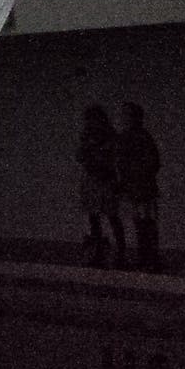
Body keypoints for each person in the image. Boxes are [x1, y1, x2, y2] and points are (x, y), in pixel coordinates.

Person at [115, 101, 162, 272]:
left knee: (145, 223)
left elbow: (152, 162)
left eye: (125, 115)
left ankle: (149, 258)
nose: (122, 118)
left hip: (141, 187)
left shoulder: (138, 137)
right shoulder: (133, 137)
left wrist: (135, 174)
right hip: (137, 187)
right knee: (142, 223)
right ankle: (147, 257)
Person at [75, 104, 123, 267]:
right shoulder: (88, 136)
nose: (90, 122)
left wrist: (96, 154)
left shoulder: (109, 136)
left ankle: (118, 253)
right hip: (93, 179)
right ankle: (98, 252)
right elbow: (80, 156)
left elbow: (113, 157)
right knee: (95, 216)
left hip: (105, 179)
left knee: (110, 215)